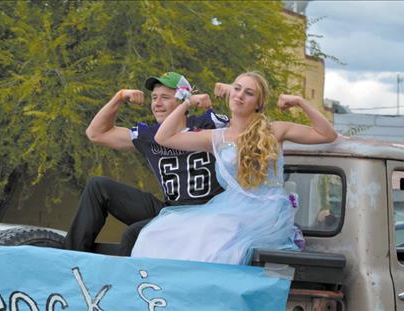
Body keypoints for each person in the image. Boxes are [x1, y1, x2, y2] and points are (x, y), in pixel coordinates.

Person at [131, 71, 338, 264]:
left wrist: (300, 102)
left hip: (266, 210)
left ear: (258, 103)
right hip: (229, 206)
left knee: (216, 237)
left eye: (249, 93)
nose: (240, 95)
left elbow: (327, 134)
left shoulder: (275, 130)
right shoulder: (217, 137)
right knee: (156, 232)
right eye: (236, 88)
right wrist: (187, 102)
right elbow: (163, 137)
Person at [63, 72, 229, 255]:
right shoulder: (149, 135)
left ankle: (129, 280)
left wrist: (232, 93)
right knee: (98, 186)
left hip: (204, 215)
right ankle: (71, 258)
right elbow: (95, 133)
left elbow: (249, 128)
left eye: (165, 97)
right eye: (154, 98)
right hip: (170, 212)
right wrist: (119, 97)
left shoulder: (208, 124)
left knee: (134, 234)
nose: (157, 104)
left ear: (184, 101)